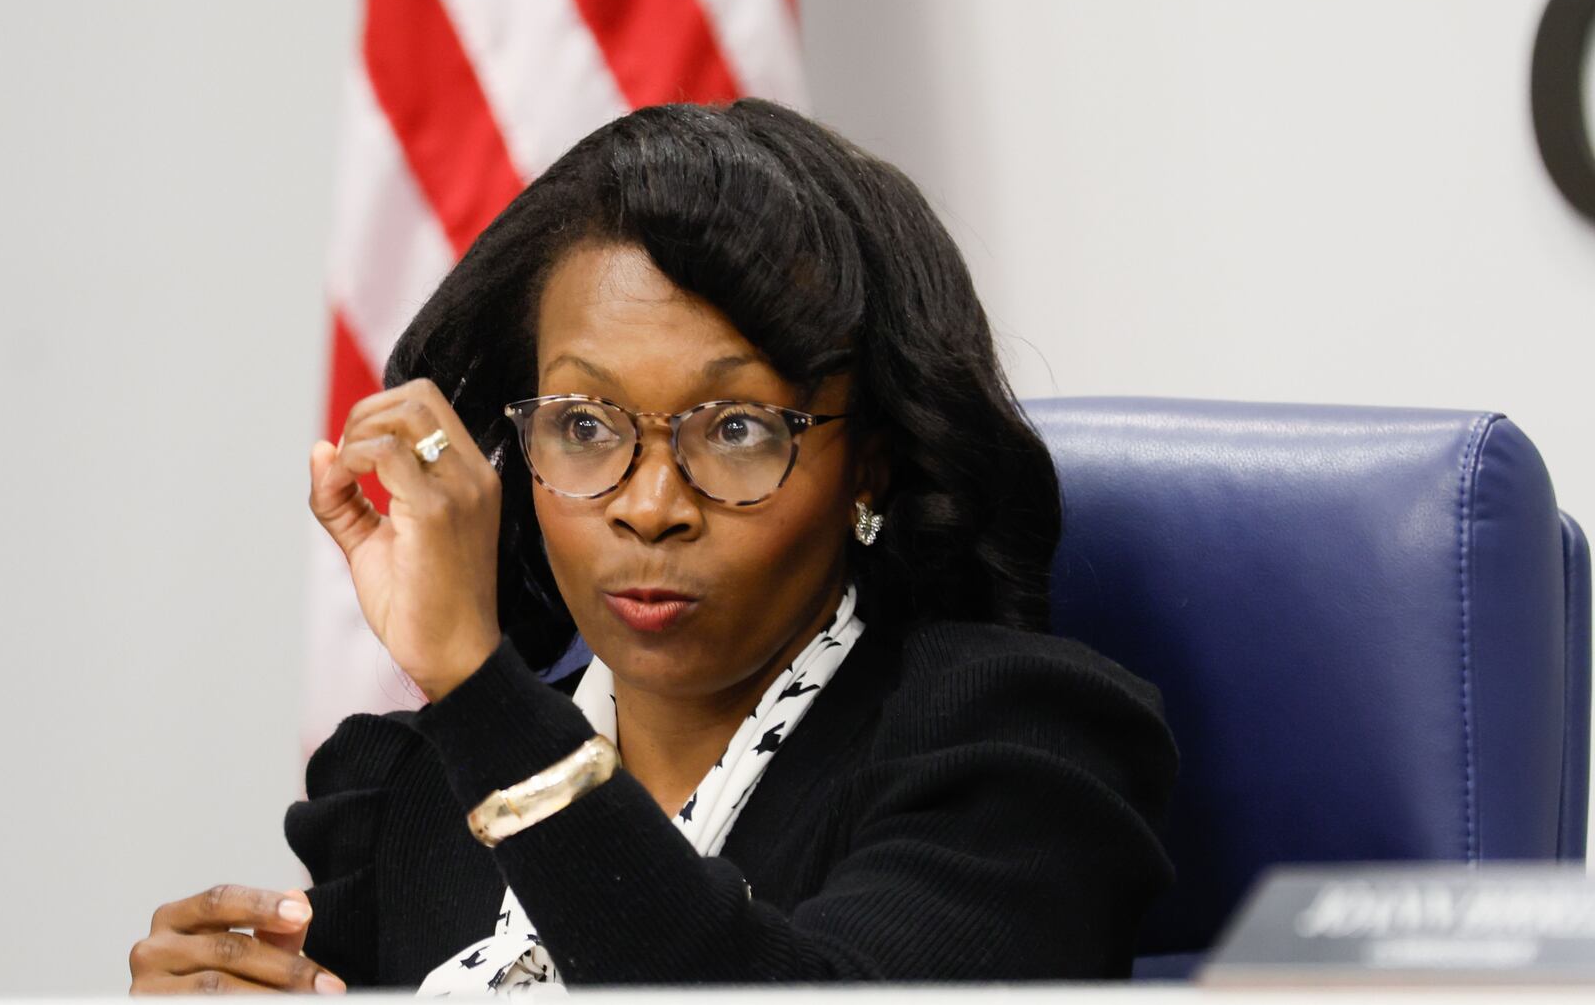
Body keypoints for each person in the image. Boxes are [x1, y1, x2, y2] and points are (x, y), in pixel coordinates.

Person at [128, 99, 1177, 993]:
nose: (649, 504)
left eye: (735, 428)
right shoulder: (414, 796)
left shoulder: (1015, 746)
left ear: (872, 463)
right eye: (584, 426)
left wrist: (482, 692)